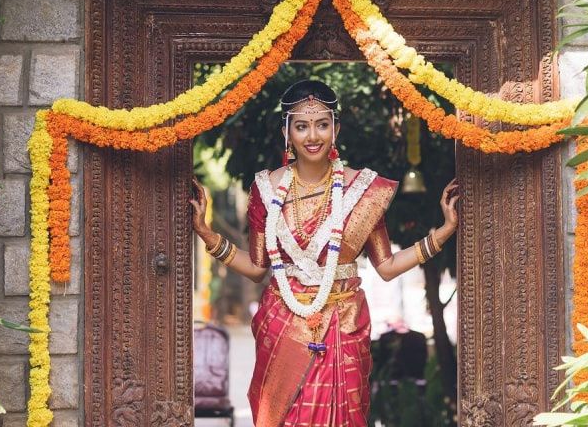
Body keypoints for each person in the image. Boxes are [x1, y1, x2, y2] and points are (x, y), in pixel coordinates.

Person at [190, 79, 459, 427]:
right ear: (287, 132)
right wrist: (207, 233)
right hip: (283, 322)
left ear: (336, 129)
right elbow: (258, 268)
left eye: (322, 124)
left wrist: (443, 232)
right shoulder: (265, 189)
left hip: (342, 322)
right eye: (301, 126)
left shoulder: (362, 190)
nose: (312, 136)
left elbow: (387, 267)